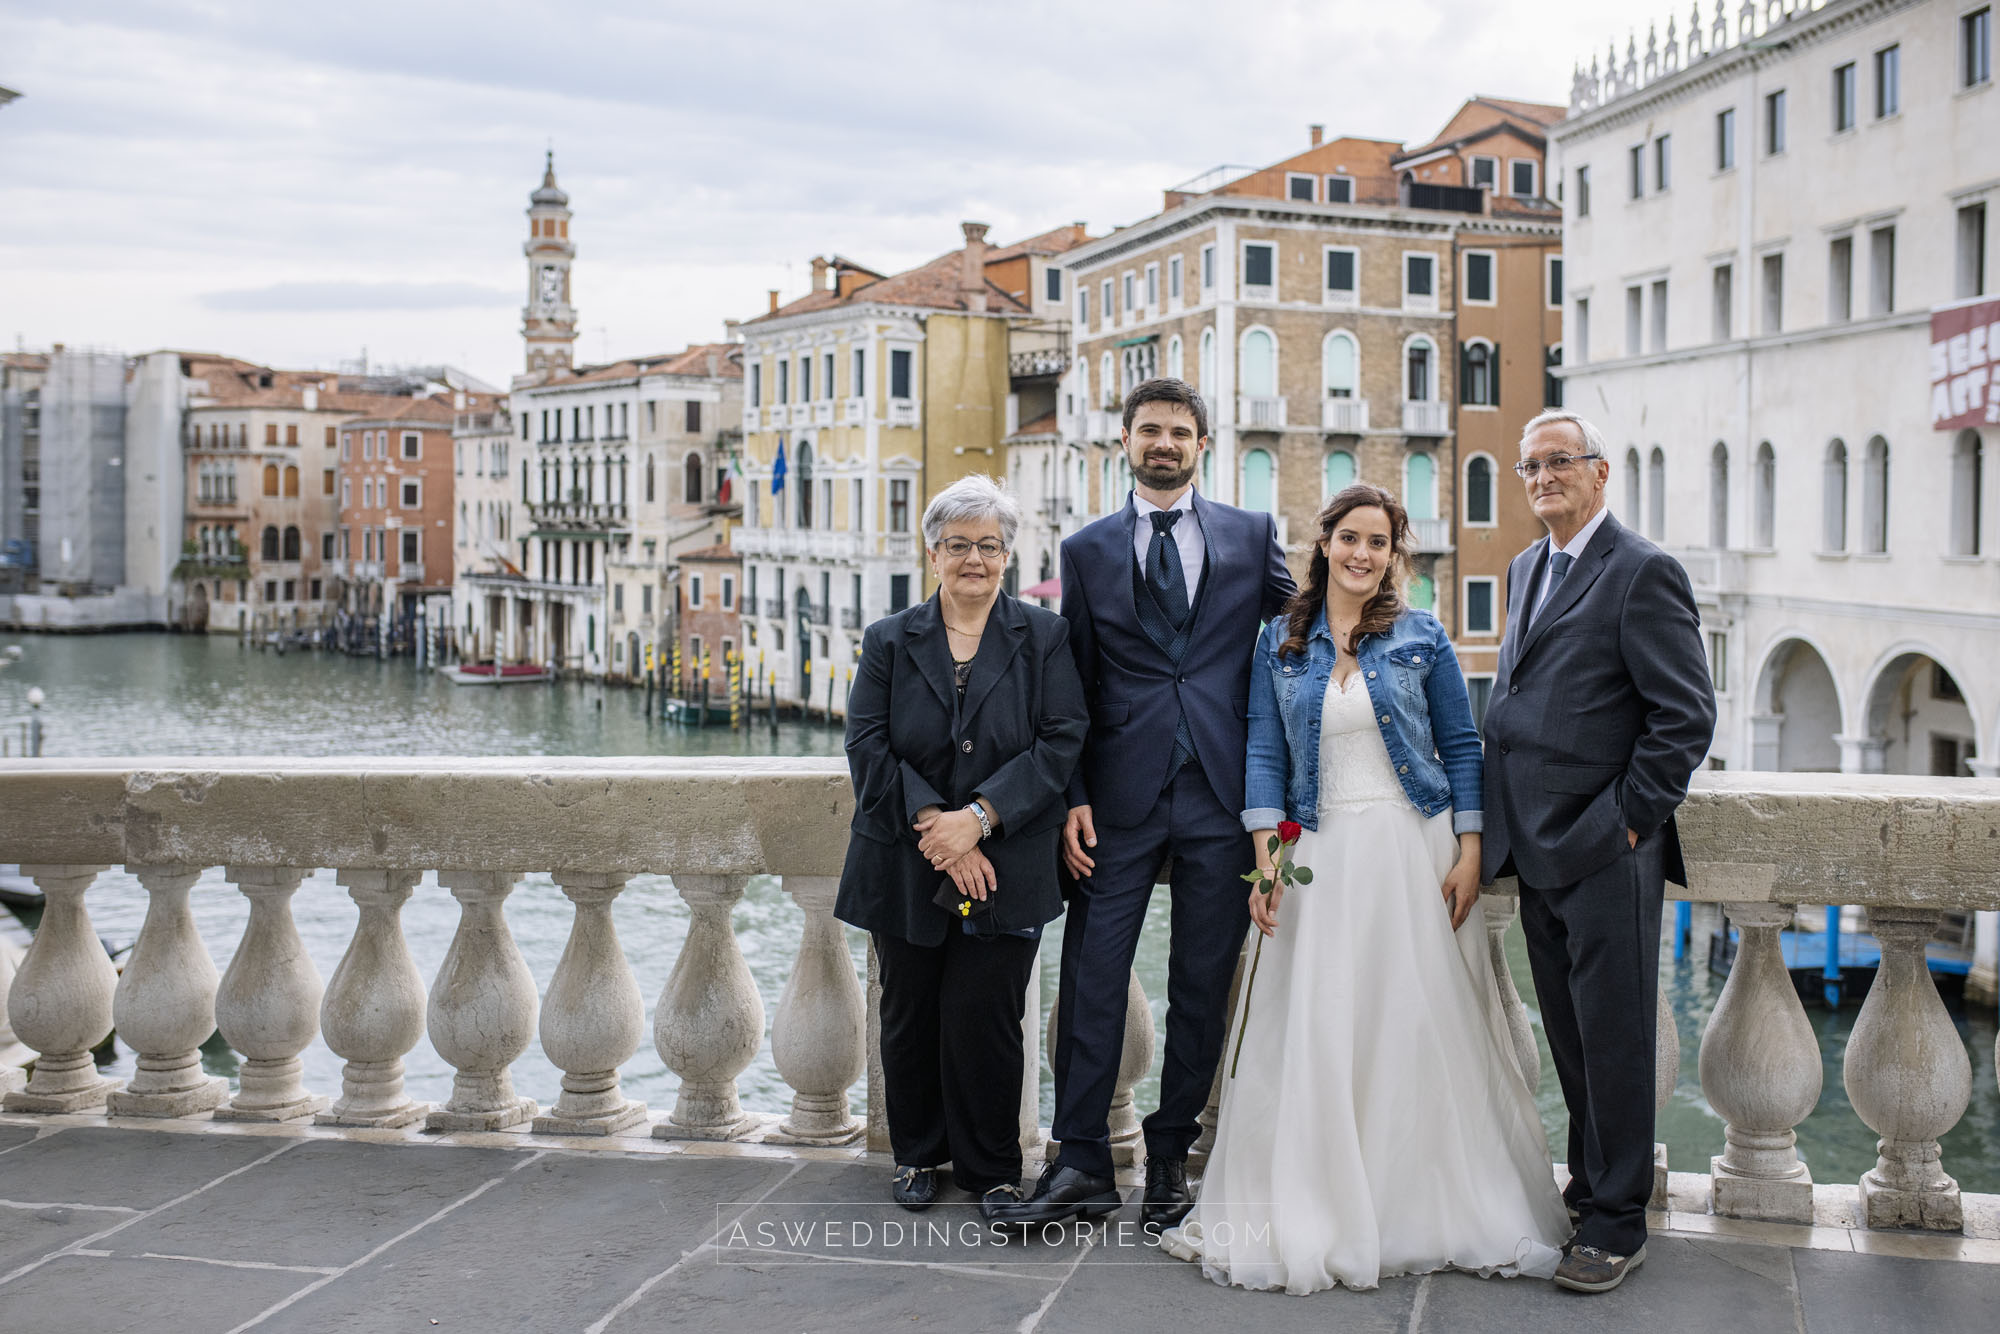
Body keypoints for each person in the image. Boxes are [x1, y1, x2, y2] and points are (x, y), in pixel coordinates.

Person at [1160, 484, 1568, 1293]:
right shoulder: (1280, 641)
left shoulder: (1422, 634)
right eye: (1350, 537)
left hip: (1412, 850)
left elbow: (1461, 744)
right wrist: (1266, 857)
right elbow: (1264, 750)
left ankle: (1415, 1203)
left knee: (1413, 1023)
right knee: (1319, 1023)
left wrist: (1470, 850)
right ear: (1325, 544)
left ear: (1392, 554)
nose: (1362, 554)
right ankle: (1321, 1201)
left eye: (1378, 542)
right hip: (1317, 849)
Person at [987, 378, 1295, 1230]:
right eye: (1149, 430)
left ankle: (1168, 1160)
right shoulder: (1086, 549)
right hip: (1115, 802)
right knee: (1091, 977)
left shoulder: (1251, 534)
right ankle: (1080, 1161)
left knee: (1201, 983)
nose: (1164, 443)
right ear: (1123, 441)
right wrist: (1076, 795)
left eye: (1180, 432)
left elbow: (1301, 633)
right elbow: (1073, 683)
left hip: (1223, 797)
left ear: (1203, 445)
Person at [1482, 409, 1716, 1293]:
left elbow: (1684, 716)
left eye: (1560, 461)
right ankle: (1590, 1193)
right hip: (1534, 846)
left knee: (1615, 1041)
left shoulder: (1644, 570)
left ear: (1599, 471)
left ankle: (1617, 1223)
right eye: (1530, 466)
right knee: (1573, 1041)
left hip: (1605, 847)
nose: (1543, 477)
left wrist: (1626, 821)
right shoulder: (1525, 566)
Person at [836, 474, 1087, 1221]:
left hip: (1008, 857)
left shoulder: (1045, 636)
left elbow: (1061, 741)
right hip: (905, 856)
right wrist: (940, 830)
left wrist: (978, 819)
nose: (974, 559)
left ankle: (993, 1171)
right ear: (932, 555)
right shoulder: (889, 639)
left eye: (988, 545)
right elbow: (867, 745)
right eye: (957, 545)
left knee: (990, 1019)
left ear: (1008, 555)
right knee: (908, 1011)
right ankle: (916, 1155)